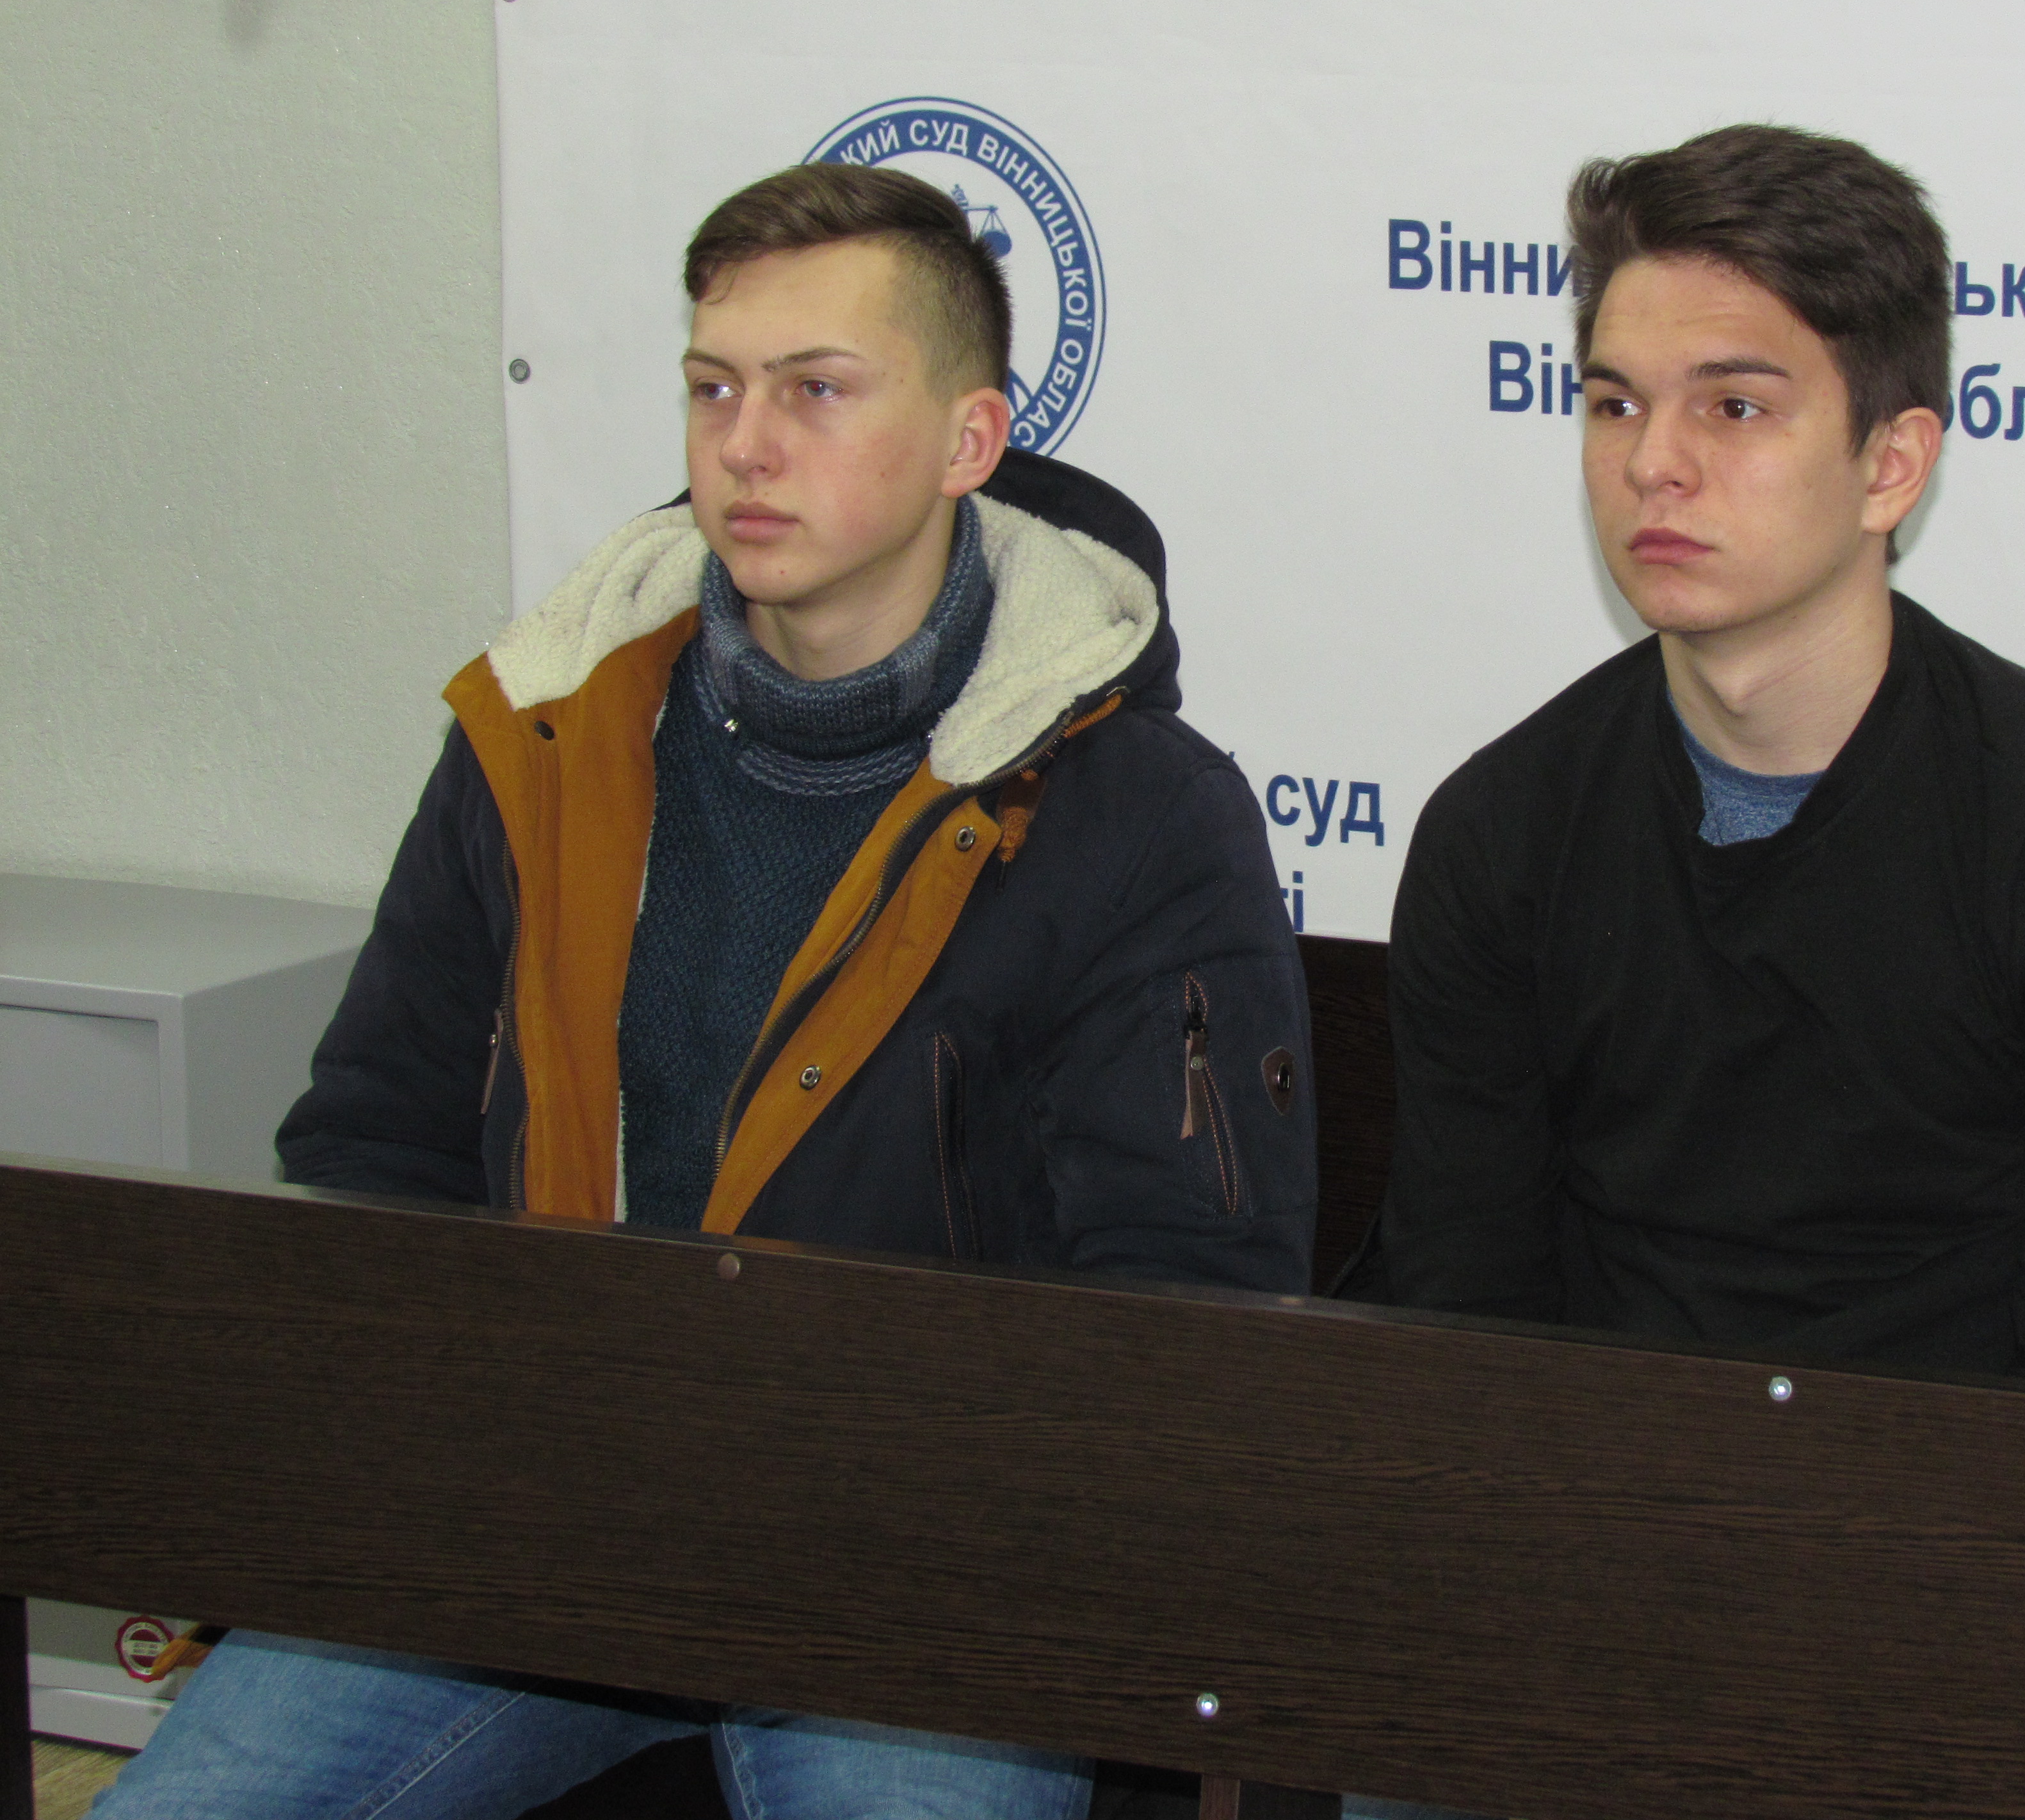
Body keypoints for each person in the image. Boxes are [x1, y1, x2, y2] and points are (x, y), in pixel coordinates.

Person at [98, 163, 1318, 1819]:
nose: (746, 445)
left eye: (817, 391)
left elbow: (1188, 1301)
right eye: (713, 388)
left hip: (921, 1595)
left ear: (969, 440)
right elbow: (372, 1151)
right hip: (526, 1538)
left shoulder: (1136, 810)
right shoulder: (547, 729)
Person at [1345, 124, 2025, 1422]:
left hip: (1990, 1506)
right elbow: (1471, 1340)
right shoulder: (1501, 836)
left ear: (1892, 465)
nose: (1653, 462)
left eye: (1734, 407)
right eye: (1615, 404)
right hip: (1611, 1495)